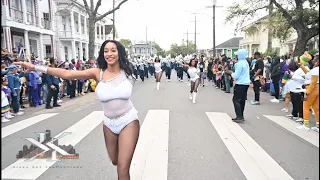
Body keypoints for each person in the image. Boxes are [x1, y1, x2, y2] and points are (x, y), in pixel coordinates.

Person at [15, 40, 139, 180]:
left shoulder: (128, 72)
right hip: (109, 124)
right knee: (115, 161)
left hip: (129, 121)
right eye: (106, 51)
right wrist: (36, 67)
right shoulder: (97, 73)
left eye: (113, 50)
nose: (109, 54)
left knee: (122, 167)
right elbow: (67, 74)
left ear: (119, 53)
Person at [226, 49, 250, 122]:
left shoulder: (239, 64)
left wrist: (230, 72)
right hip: (246, 83)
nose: (236, 56)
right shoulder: (245, 62)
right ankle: (241, 115)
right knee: (242, 100)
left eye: (237, 55)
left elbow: (236, 76)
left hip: (240, 83)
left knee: (236, 100)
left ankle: (239, 116)